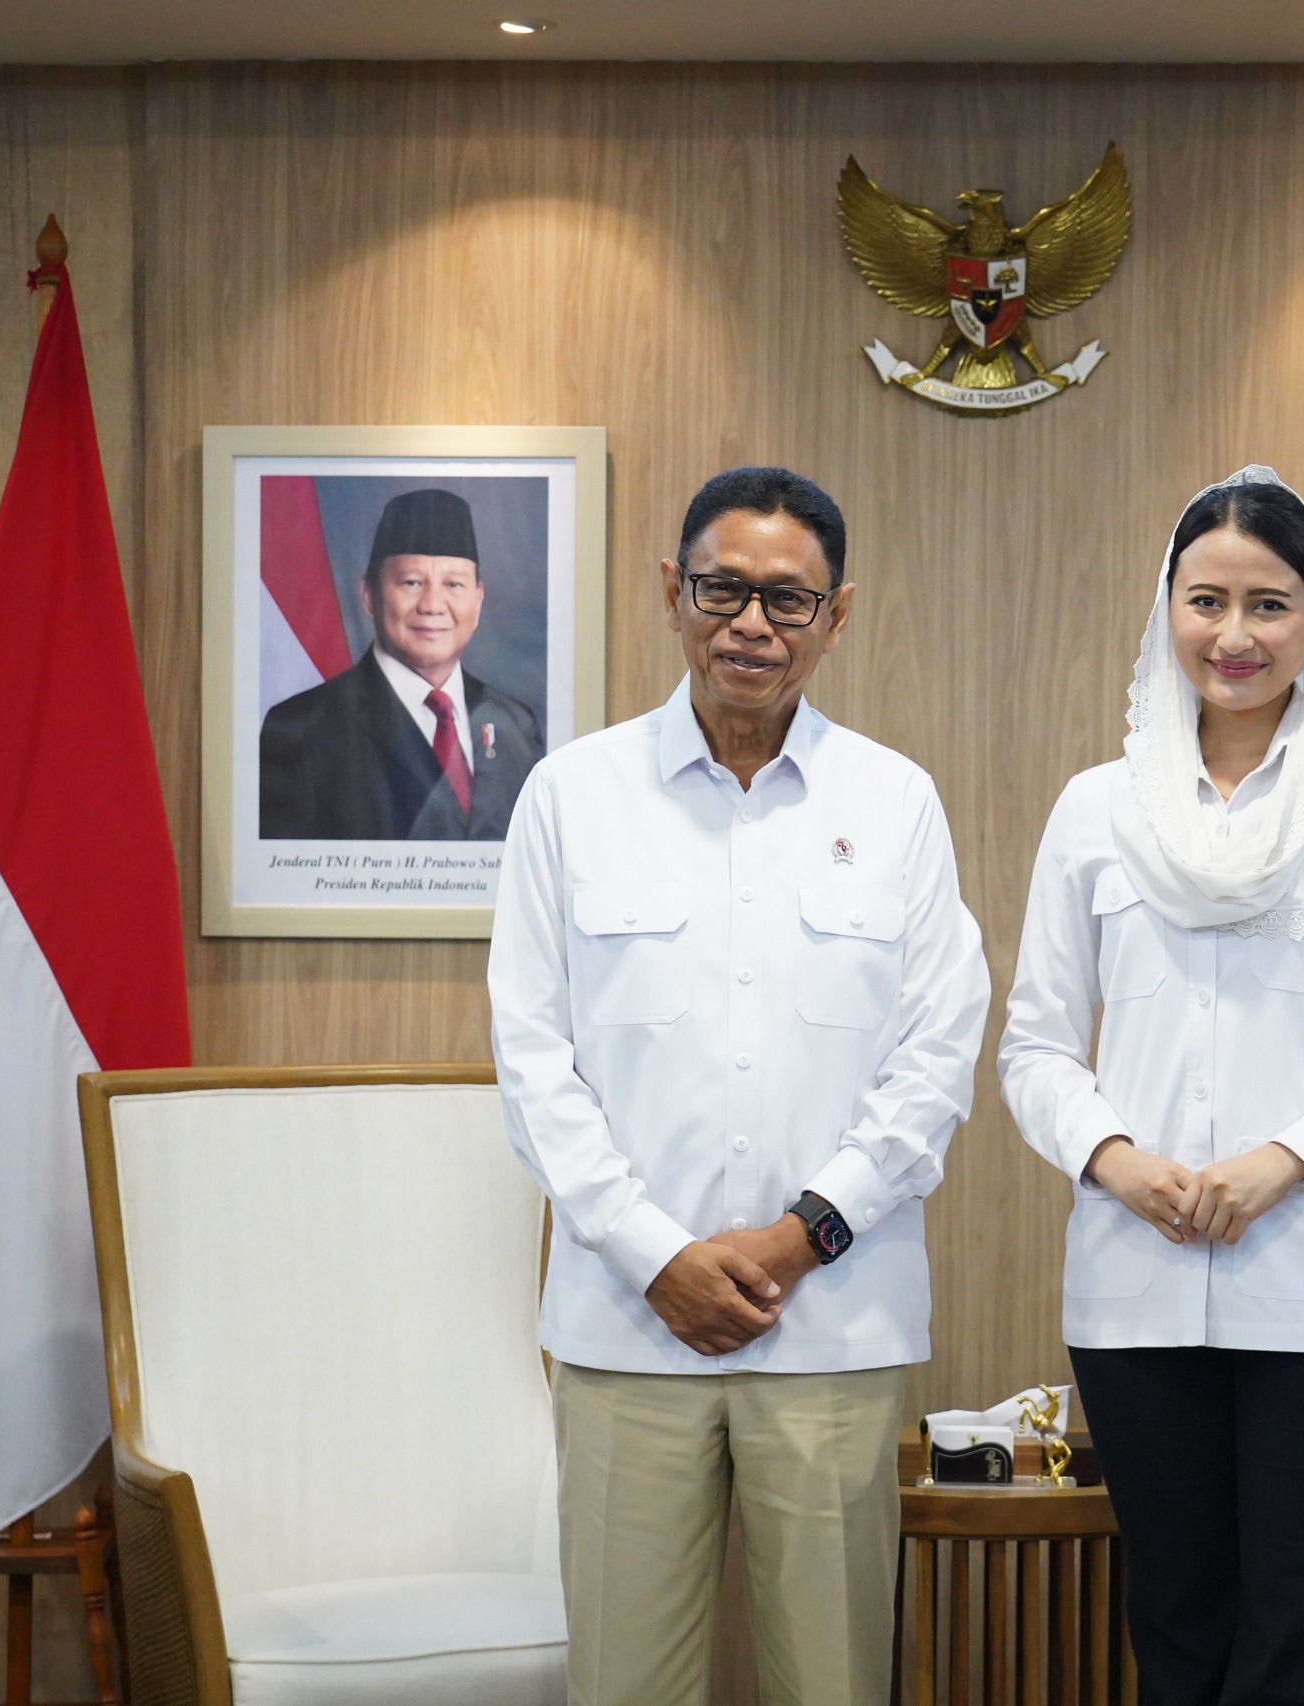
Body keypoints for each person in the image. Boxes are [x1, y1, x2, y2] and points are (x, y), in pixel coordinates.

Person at [489, 466, 989, 1706]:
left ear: (837, 615)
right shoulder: (572, 795)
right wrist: (656, 1253)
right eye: (722, 589)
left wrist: (800, 1235)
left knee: (834, 1680)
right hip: (625, 1326)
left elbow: (936, 1055)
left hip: (833, 1328)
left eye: (787, 598)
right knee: (625, 1685)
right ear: (674, 591)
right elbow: (533, 1059)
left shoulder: (895, 801)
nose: (751, 624)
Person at [999, 466, 1304, 1706]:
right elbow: (1036, 1046)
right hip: (1137, 1284)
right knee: (1174, 1623)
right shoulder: (1097, 808)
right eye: (1205, 600)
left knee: (1297, 1633)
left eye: (1268, 604)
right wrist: (1115, 1157)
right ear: (1165, 609)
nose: (1233, 635)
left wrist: (1287, 1157)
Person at [259, 486, 544, 839]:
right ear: (368, 595)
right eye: (411, 582)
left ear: (478, 599)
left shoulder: (515, 725)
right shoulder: (301, 729)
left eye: (453, 584)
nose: (432, 605)